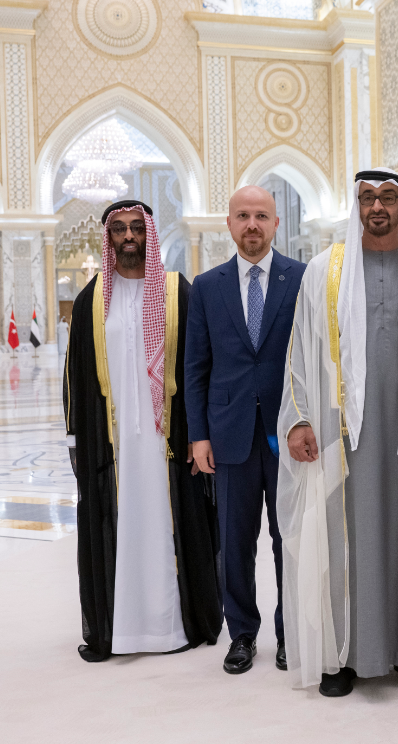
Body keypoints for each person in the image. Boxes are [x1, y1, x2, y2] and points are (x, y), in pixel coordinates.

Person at [277, 169, 398, 697]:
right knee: (344, 539)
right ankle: (342, 656)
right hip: (344, 438)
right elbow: (297, 349)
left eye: (387, 198)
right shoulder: (324, 271)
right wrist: (297, 418)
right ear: (356, 205)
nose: (377, 207)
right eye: (367, 198)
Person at [64, 199, 222, 662]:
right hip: (112, 443)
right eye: (119, 229)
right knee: (116, 522)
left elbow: (201, 368)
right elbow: (77, 376)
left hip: (169, 440)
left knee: (171, 523)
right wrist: (78, 438)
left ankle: (177, 623)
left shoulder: (178, 293)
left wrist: (201, 434)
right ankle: (120, 629)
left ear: (149, 235)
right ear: (108, 237)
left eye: (137, 228)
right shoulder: (91, 300)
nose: (128, 236)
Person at [184, 186, 305, 675]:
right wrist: (198, 435)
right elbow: (195, 366)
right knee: (235, 540)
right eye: (242, 216)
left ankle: (288, 631)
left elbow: (314, 357)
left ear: (276, 223)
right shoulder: (208, 286)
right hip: (228, 432)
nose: (251, 225)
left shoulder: (301, 279)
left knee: (288, 537)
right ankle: (242, 634)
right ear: (228, 224)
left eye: (261, 216)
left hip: (288, 434)